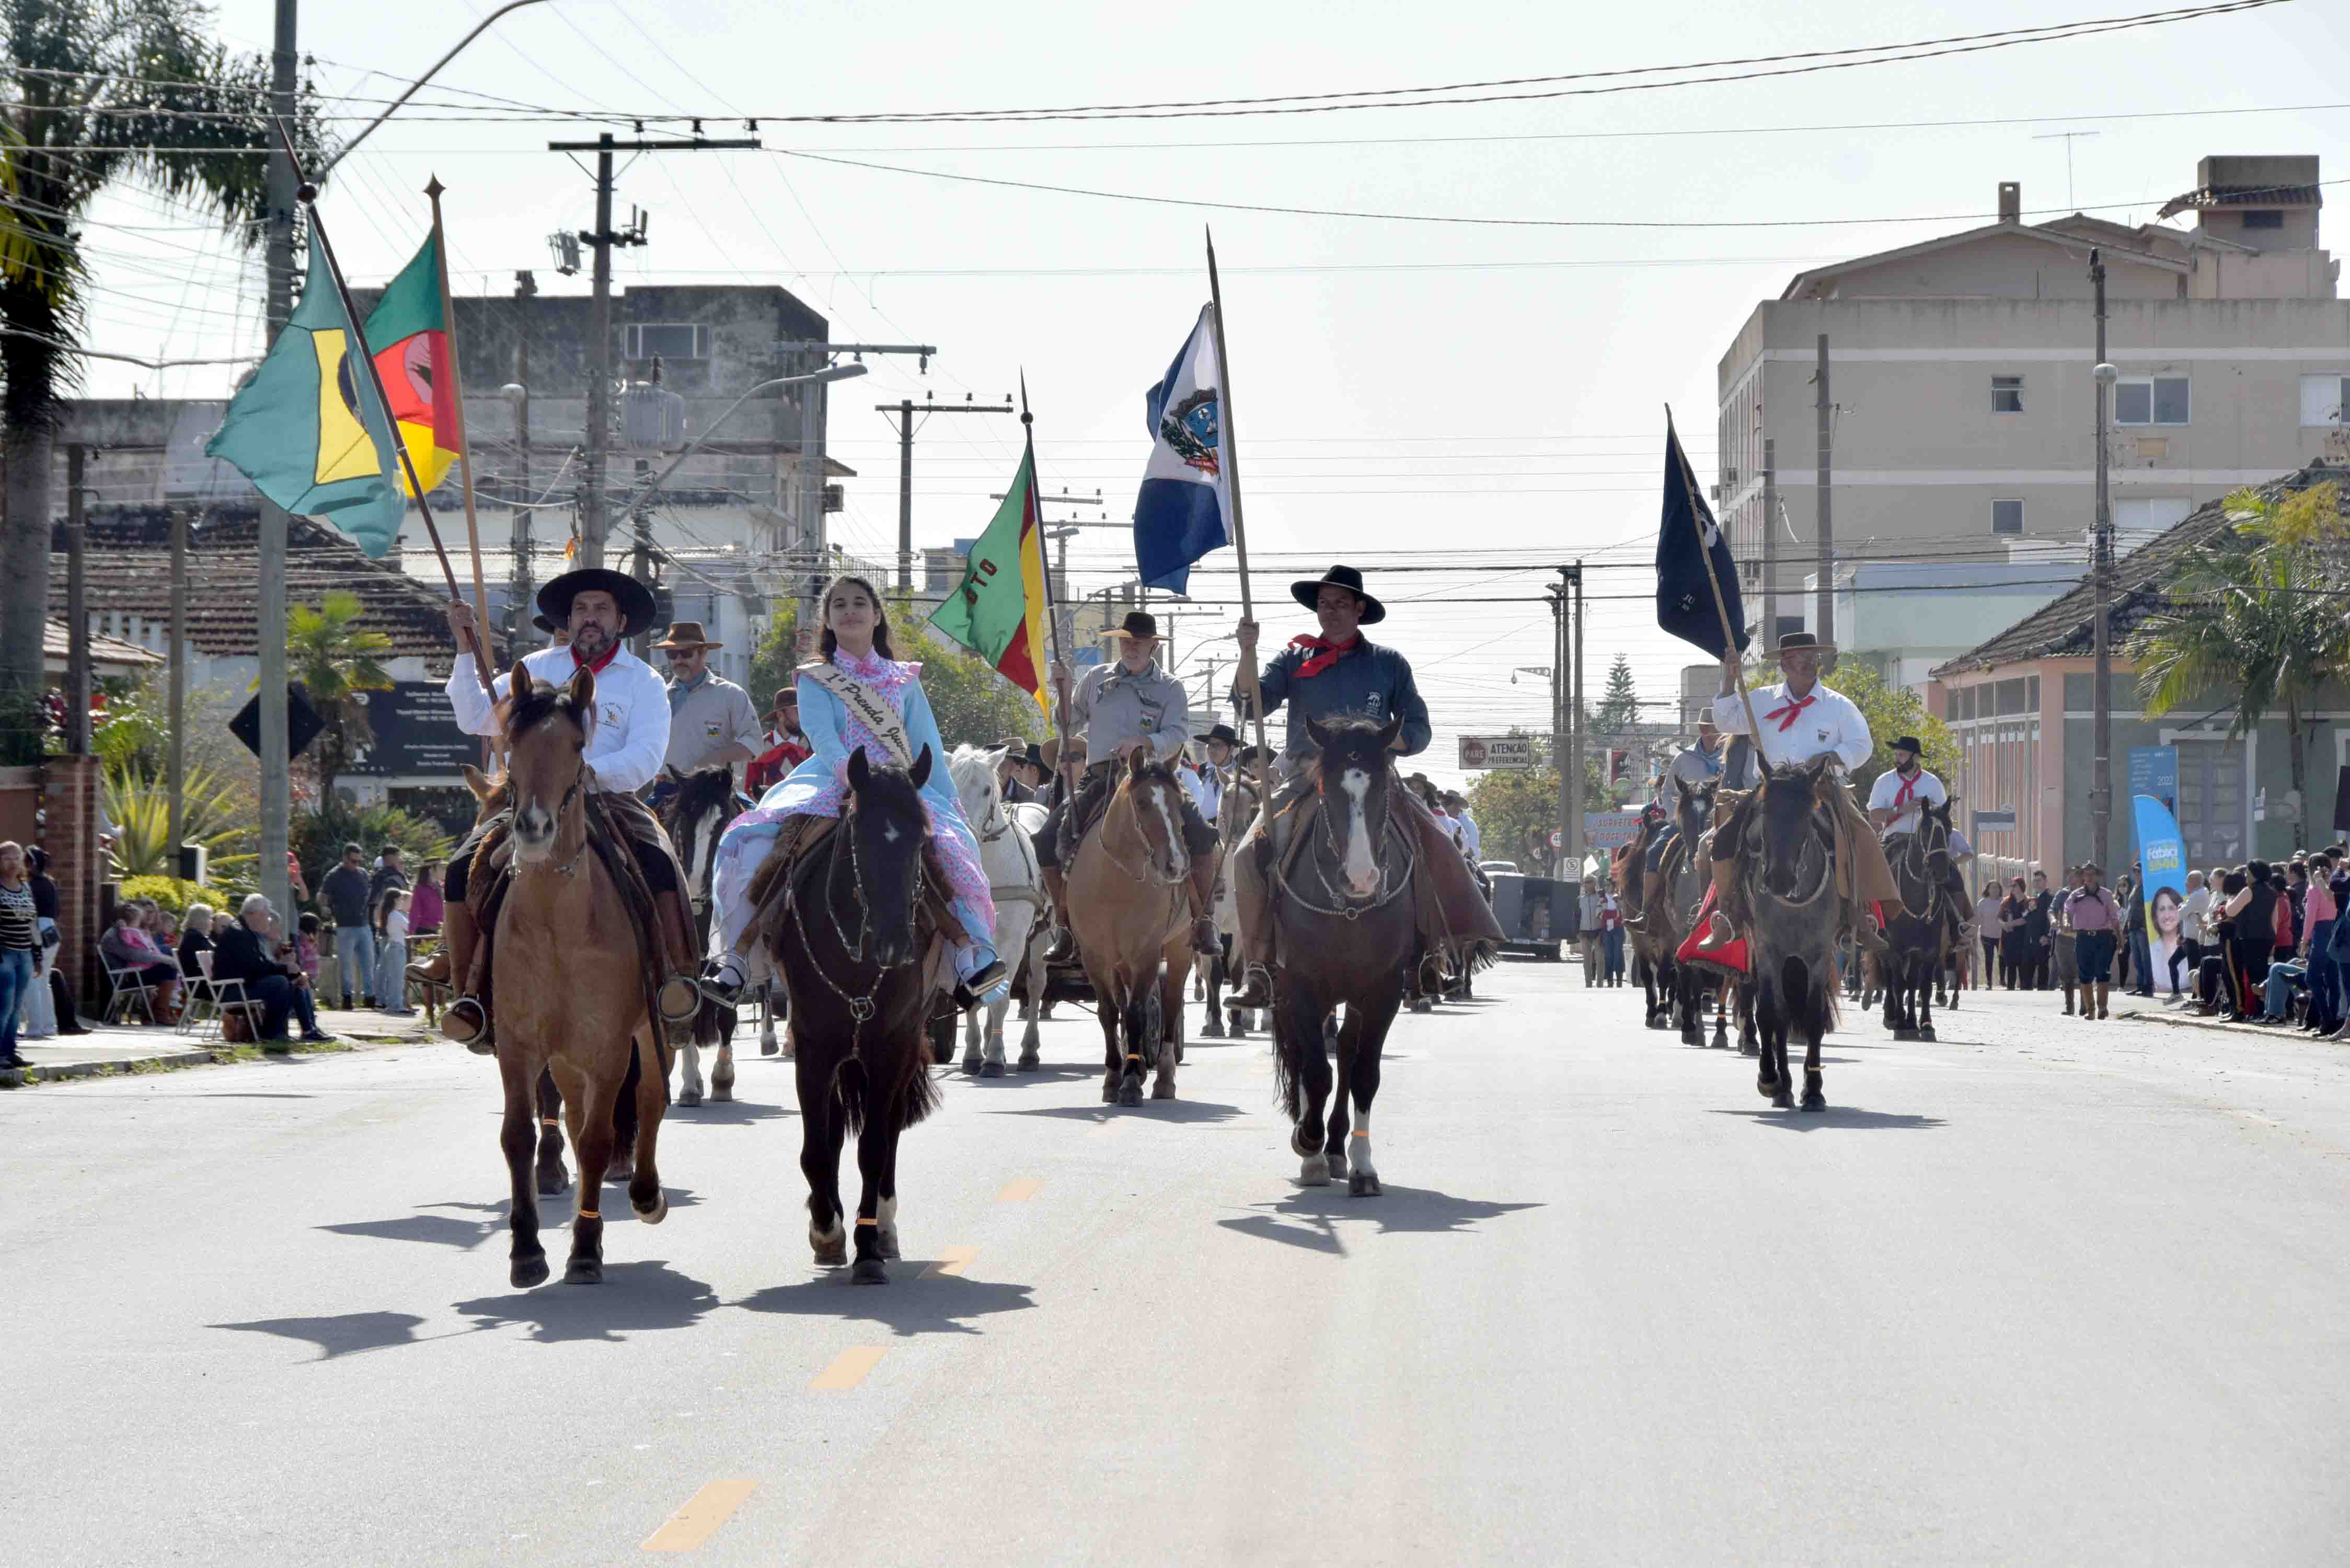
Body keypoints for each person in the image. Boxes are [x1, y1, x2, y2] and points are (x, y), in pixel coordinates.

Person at [421, 569, 705, 1050]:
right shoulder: (533, 667)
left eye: (601, 609)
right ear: (568, 620)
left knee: (661, 861)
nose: (590, 618)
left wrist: (583, 776)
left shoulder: (644, 681)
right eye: (581, 609)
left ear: (621, 621)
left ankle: (676, 978)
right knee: (460, 865)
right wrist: (465, 647)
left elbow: (646, 755)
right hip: (530, 800)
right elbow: (474, 717)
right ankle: (467, 992)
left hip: (609, 799)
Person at [699, 574, 1006, 1009]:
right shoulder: (815, 678)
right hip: (831, 777)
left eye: (859, 603)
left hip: (899, 784)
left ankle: (970, 956)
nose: (849, 611)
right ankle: (735, 957)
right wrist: (851, 774)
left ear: (877, 615)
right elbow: (823, 737)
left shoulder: (905, 680)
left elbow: (927, 745)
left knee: (955, 848)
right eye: (838, 604)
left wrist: (948, 804)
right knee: (754, 844)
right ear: (827, 619)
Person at [1223, 565, 1501, 1007]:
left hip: (1375, 781)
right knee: (1244, 855)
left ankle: (1433, 955)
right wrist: (1246, 652)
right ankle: (1259, 968)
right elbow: (1247, 703)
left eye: (1340, 603)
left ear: (1359, 609)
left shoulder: (1389, 664)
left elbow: (1420, 728)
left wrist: (1382, 742)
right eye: (1323, 604)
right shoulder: (1294, 658)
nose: (1329, 611)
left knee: (1436, 839)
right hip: (1306, 778)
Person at [1697, 631, 1904, 965]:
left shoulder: (1838, 706)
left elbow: (1862, 745)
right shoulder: (1759, 700)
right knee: (1722, 840)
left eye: (1814, 658)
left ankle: (1860, 915)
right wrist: (1729, 680)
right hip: (1772, 792)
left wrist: (1833, 757)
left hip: (1820, 790)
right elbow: (1725, 720)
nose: (1810, 663)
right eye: (1801, 658)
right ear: (1784, 664)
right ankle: (1727, 916)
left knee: (1861, 835)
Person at [1035, 609, 1219, 964]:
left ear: (1153, 647)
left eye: (1139, 642)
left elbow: (1178, 733)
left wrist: (1144, 742)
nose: (1131, 648)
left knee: (1201, 834)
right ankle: (1065, 924)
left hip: (1153, 778)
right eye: (1126, 642)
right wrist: (1064, 690)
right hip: (1100, 776)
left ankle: (1204, 919)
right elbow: (1068, 723)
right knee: (1046, 839)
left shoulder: (1170, 687)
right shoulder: (1096, 678)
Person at [211, 894, 335, 1044]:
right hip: (233, 990)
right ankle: (272, 1033)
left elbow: (259, 966)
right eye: (267, 915)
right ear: (255, 915)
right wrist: (286, 968)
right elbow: (256, 969)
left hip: (244, 984)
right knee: (279, 983)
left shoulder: (246, 932)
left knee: (295, 981)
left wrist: (292, 973)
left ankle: (308, 1030)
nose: (269, 919)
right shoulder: (239, 933)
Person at [654, 619, 763, 781]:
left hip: (713, 788)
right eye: (672, 654)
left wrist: (716, 757)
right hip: (667, 787)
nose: (679, 660)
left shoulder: (730, 694)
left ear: (703, 653)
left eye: (686, 653)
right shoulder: (658, 697)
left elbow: (754, 743)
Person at [100, 904, 181, 1021]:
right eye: (138, 921)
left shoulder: (124, 932)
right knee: (168, 968)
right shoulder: (115, 935)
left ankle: (158, 1012)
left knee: (169, 966)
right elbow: (135, 955)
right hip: (125, 977)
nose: (139, 924)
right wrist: (163, 959)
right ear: (124, 921)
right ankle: (160, 1013)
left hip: (132, 973)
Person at [319, 843, 375, 1009]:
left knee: (368, 962)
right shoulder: (334, 875)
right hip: (345, 926)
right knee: (346, 964)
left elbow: (369, 894)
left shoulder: (363, 874)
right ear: (345, 858)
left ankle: (370, 997)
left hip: (364, 924)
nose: (356, 865)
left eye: (359, 861)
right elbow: (323, 896)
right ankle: (347, 997)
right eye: (353, 861)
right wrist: (325, 908)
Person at [2065, 863, 2123, 1020]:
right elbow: (2067, 910)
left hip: (2103, 937)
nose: (2089, 877)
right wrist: (2067, 922)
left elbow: (2114, 918)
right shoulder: (2076, 895)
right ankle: (2091, 1010)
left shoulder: (2106, 895)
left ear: (2097, 876)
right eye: (2086, 874)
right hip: (2083, 937)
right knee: (2085, 973)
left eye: (2092, 874)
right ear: (2083, 876)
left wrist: (2120, 939)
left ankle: (2102, 1007)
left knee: (2103, 971)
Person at [0, 841, 39, 1068]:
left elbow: (32, 923)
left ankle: (10, 1050)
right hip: (4, 953)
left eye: (17, 857)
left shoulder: (25, 888)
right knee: (4, 1005)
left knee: (16, 1005)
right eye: (7, 858)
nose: (13, 862)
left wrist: (37, 954)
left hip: (25, 953)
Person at [746, 686, 814, 797]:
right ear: (780, 715)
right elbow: (751, 791)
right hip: (771, 804)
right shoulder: (760, 747)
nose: (802, 716)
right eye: (797, 710)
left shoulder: (812, 745)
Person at [375, 889, 415, 1016]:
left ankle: (394, 1004)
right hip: (397, 947)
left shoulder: (390, 914)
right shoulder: (396, 915)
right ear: (395, 900)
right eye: (400, 899)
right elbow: (409, 928)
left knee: (394, 978)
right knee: (397, 979)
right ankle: (396, 1006)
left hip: (394, 946)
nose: (402, 902)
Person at [1998, 877, 2032, 990]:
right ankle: (2010, 988)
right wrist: (2004, 925)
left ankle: (2024, 988)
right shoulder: (2006, 901)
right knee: (2011, 966)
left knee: (2023, 966)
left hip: (2023, 938)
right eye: (2011, 886)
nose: (2012, 888)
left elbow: (2026, 919)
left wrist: (2011, 924)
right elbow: (1999, 917)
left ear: (2021, 887)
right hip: (2009, 938)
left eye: (2014, 886)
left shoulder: (2028, 901)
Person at [1976, 881, 2005, 987]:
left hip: (2001, 935)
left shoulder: (2004, 902)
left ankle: (2002, 980)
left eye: (1997, 888)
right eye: (1992, 888)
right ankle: (1989, 982)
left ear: (2000, 890)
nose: (1995, 890)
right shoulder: (1982, 903)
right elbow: (1978, 919)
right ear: (1988, 890)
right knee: (1989, 958)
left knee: (2002, 958)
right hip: (1986, 935)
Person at [1579, 874, 1605, 987]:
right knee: (1586, 961)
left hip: (1598, 932)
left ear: (1595, 883)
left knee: (1600, 960)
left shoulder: (1601, 898)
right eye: (1585, 882)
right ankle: (1588, 983)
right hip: (1584, 932)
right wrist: (1577, 932)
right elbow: (1577, 916)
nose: (1586, 884)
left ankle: (1600, 984)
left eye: (1589, 882)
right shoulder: (1580, 900)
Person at [410, 861, 445, 940]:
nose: (444, 870)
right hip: (425, 933)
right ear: (431, 870)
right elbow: (415, 912)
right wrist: (411, 934)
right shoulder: (420, 889)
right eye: (440, 867)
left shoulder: (442, 887)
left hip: (441, 932)